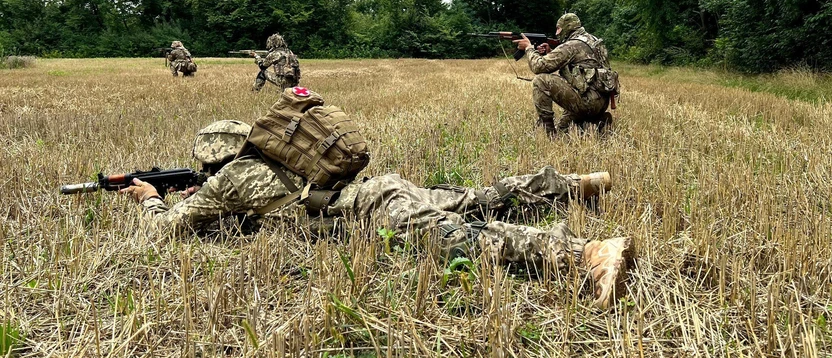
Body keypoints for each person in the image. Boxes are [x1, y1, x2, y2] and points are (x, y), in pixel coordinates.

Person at [121, 117, 634, 307]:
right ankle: (576, 183)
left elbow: (164, 233)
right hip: (378, 190)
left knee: (465, 237)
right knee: (477, 196)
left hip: (371, 211)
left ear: (215, 160)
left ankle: (585, 252)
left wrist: (151, 200)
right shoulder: (277, 160)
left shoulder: (229, 181)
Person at [514, 13, 614, 136]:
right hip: (601, 101)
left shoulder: (571, 45)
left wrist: (529, 48)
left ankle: (547, 132)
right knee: (564, 129)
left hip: (586, 101)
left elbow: (539, 66)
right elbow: (579, 68)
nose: (556, 33)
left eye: (558, 28)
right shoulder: (592, 40)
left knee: (540, 80)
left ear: (568, 27)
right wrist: (550, 52)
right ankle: (597, 121)